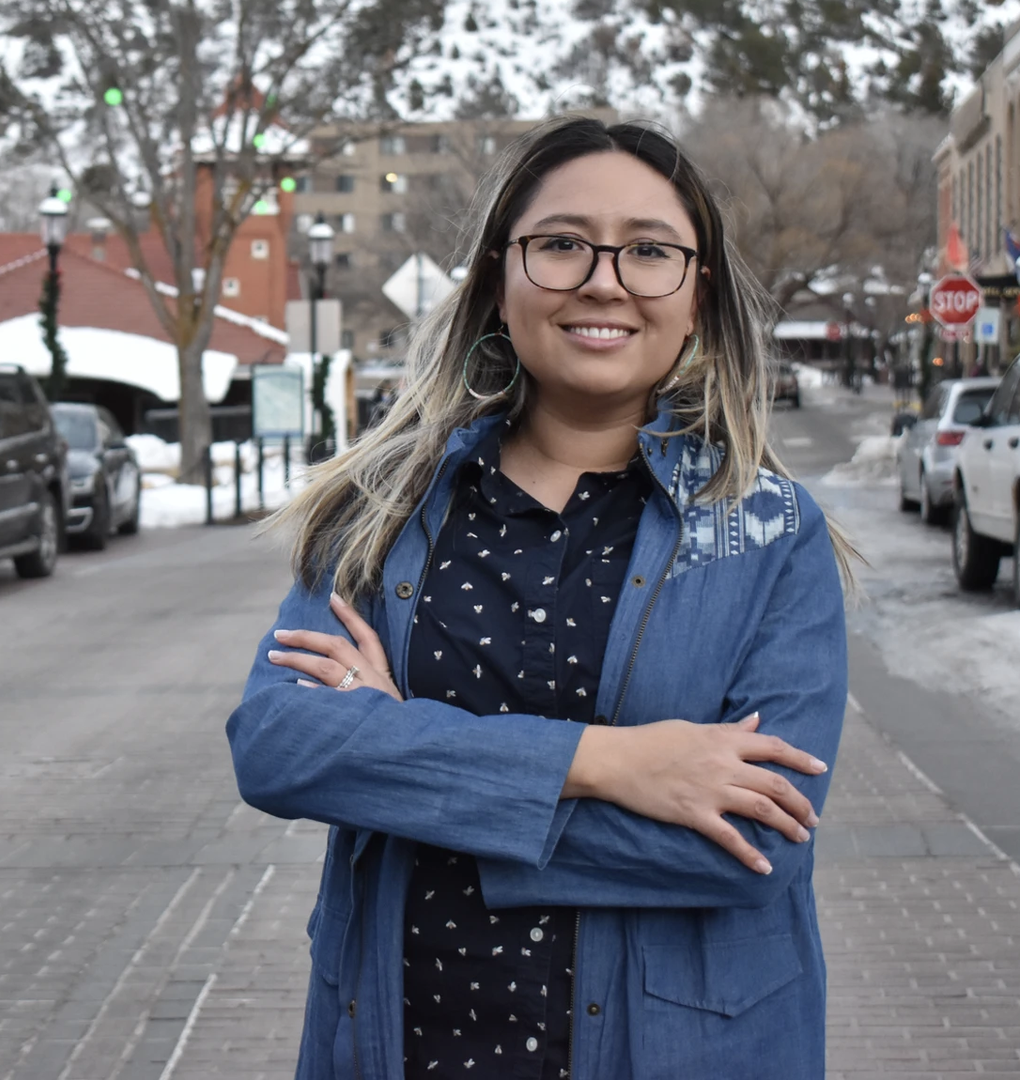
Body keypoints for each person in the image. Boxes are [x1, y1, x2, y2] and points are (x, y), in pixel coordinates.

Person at [227, 116, 853, 1080]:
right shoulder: (384, 508)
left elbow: (754, 845)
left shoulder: (766, 531)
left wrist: (406, 770)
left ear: (697, 297)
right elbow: (281, 746)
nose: (603, 278)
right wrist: (609, 763)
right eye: (561, 243)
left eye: (649, 250)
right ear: (497, 278)